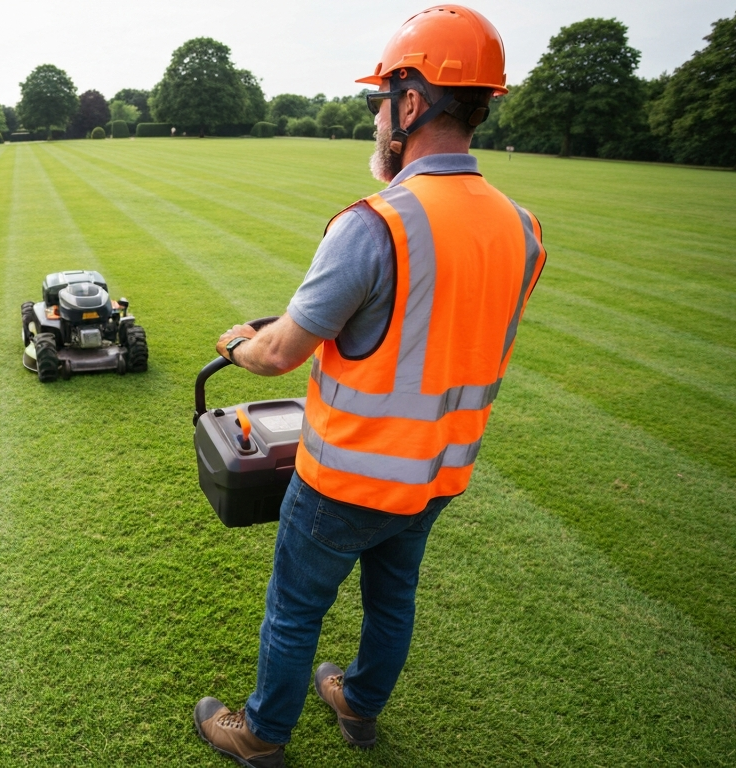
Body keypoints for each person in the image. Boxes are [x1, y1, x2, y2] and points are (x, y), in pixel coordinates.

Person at [192, 6, 546, 767]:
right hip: (440, 470)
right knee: (393, 598)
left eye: (381, 100)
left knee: (294, 610)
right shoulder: (522, 226)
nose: (378, 116)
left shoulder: (375, 222)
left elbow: (284, 349)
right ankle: (357, 706)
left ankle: (261, 733)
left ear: (411, 103)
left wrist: (238, 342)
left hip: (349, 474)